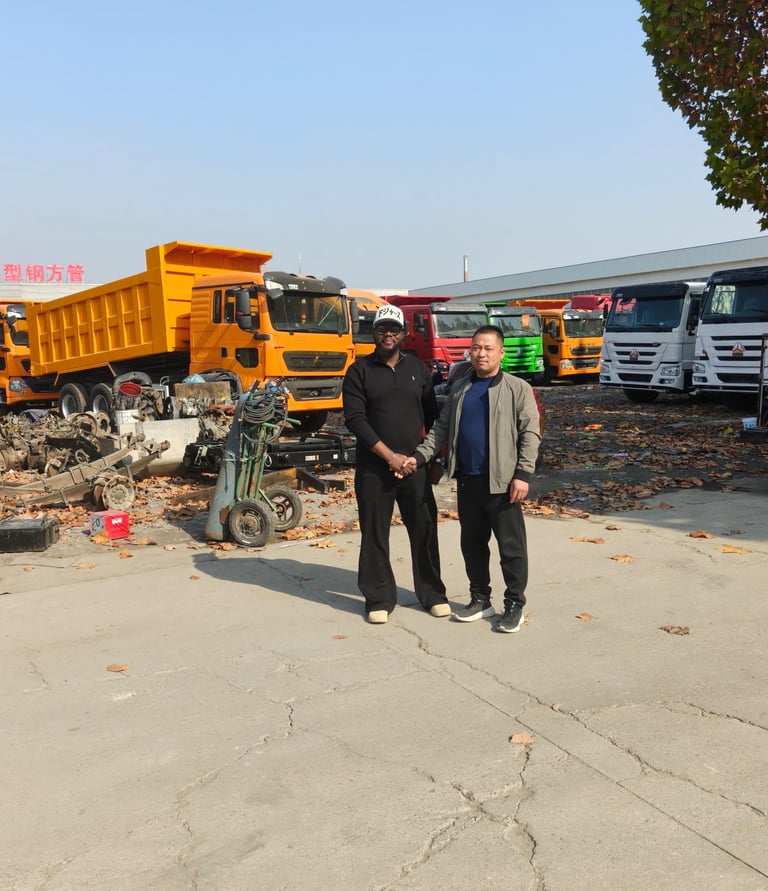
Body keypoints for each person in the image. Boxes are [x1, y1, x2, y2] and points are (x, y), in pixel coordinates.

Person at [405, 325, 541, 633]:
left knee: (511, 548)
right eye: (476, 347)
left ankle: (514, 603)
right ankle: (480, 599)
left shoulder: (517, 388)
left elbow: (530, 434)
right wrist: (421, 456)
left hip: (503, 483)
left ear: (501, 352)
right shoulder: (461, 387)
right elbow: (441, 427)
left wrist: (522, 475)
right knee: (472, 544)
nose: (481, 353)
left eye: (488, 348)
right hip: (468, 480)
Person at [342, 304, 450, 624]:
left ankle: (433, 594)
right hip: (374, 468)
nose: (388, 335)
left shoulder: (418, 369)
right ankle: (378, 597)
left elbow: (433, 418)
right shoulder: (358, 371)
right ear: (373, 333)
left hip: (415, 465)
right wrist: (390, 457)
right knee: (375, 534)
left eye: (394, 329)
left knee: (425, 530)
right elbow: (356, 420)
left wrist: (434, 458)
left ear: (404, 333)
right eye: (381, 329)